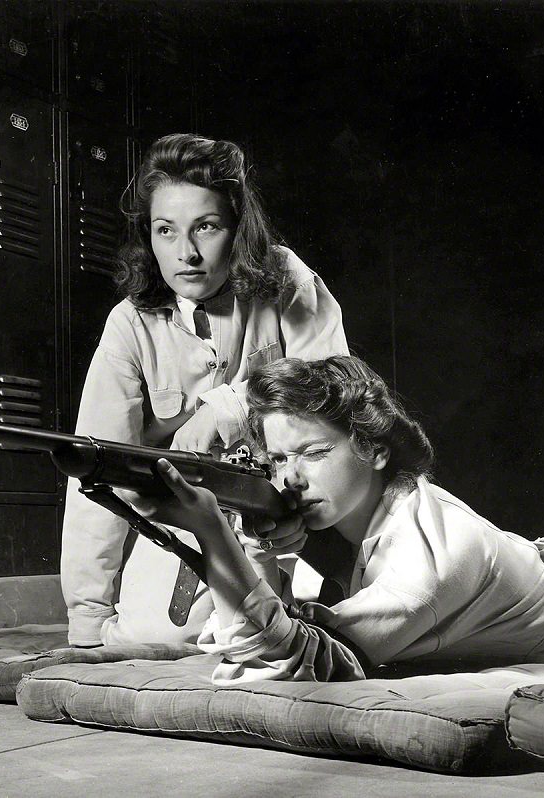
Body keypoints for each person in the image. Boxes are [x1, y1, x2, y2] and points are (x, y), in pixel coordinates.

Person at [125, 355, 544, 683]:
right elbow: (257, 630)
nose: (290, 479)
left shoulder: (428, 564)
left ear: (372, 448)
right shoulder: (366, 517)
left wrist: (212, 531)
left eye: (314, 453)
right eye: (279, 459)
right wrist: (258, 546)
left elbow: (276, 660)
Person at [61, 134, 349, 647]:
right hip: (190, 513)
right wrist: (85, 623)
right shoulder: (128, 325)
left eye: (207, 227)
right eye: (165, 231)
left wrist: (229, 406)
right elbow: (95, 474)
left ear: (237, 229)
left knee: (303, 631)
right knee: (154, 639)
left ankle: (309, 588)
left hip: (298, 502)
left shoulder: (284, 277)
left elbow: (334, 385)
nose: (186, 253)